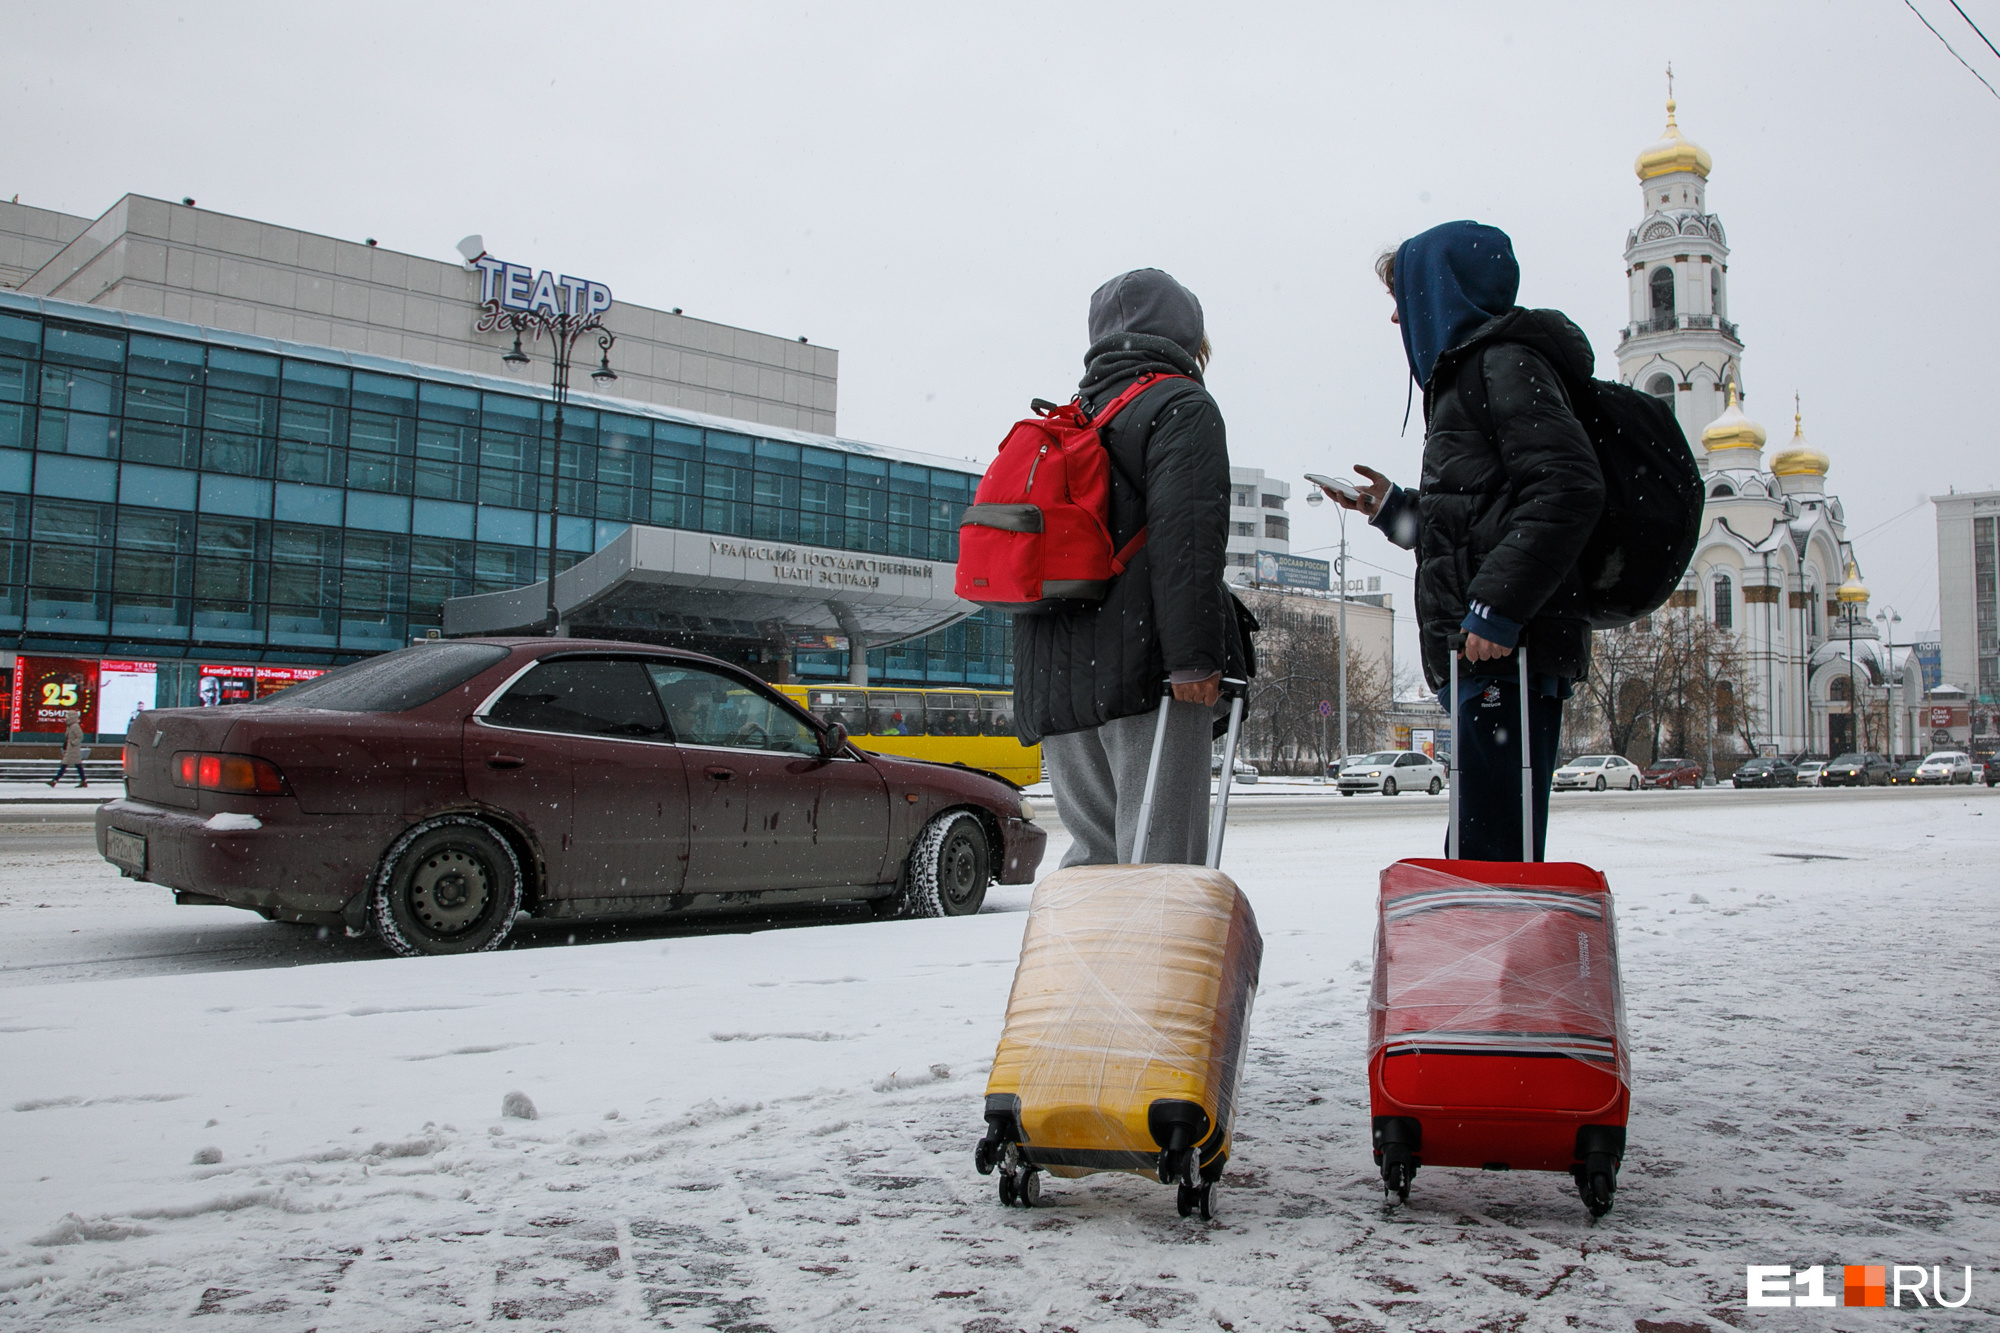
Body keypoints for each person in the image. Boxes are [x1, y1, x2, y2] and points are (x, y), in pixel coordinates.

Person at [1316, 221, 1603, 861]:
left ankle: (1498, 960)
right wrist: (1392, 510)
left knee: (1495, 850)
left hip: (1510, 651)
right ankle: (1486, 956)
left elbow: (1569, 487)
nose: (1396, 319)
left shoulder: (1499, 363)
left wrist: (1498, 608)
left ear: (1437, 293)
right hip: (1488, 650)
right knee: (1484, 844)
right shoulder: (1472, 375)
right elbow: (1477, 522)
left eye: (1403, 297)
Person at [1014, 268, 1253, 866]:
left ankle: (1079, 962)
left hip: (1059, 678)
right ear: (1185, 335)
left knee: (1095, 855)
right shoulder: (1180, 405)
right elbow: (1187, 542)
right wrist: (1194, 659)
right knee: (1161, 862)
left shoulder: (1074, 418)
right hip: (1145, 673)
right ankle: (1158, 963)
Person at [47, 713, 89, 789]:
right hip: (70, 749)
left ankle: (55, 780)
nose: (66, 718)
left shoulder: (75, 726)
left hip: (73, 749)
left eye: (67, 717)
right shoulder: (70, 726)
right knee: (77, 765)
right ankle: (83, 781)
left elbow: (80, 736)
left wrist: (73, 743)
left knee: (65, 764)